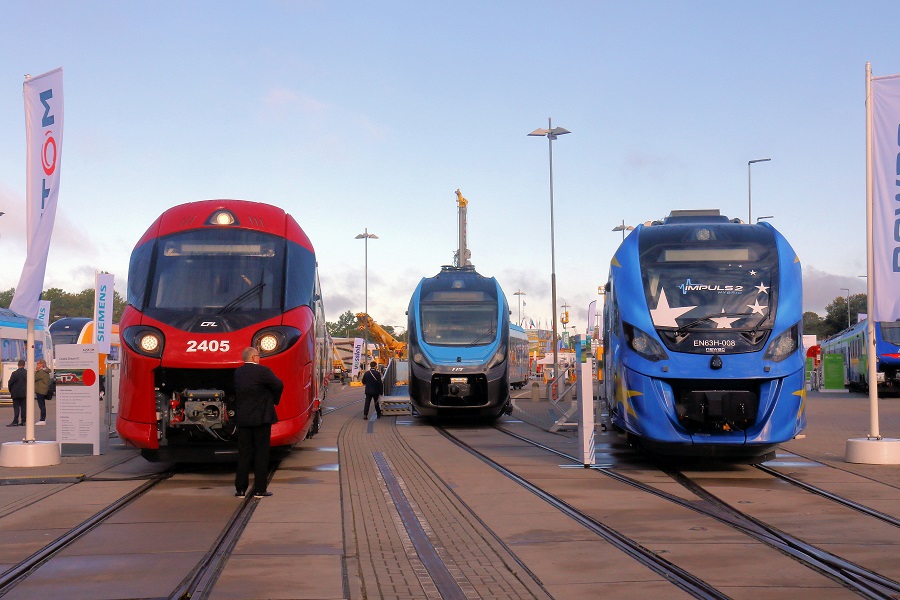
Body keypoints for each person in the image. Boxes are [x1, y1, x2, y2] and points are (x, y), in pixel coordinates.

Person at [233, 347, 283, 498]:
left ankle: (241, 489)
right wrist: (274, 400)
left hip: (243, 419)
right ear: (254, 357)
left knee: (244, 453)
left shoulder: (238, 372)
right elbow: (279, 385)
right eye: (258, 356)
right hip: (262, 418)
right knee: (261, 453)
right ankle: (260, 490)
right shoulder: (263, 371)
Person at [6, 360, 27, 427]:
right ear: (24, 365)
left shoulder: (14, 373)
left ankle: (15, 421)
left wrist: (11, 390)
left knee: (16, 407)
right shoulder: (27, 373)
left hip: (15, 393)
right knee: (24, 407)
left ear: (18, 365)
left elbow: (10, 383)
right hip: (24, 393)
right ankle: (23, 421)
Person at [34, 359, 51, 425]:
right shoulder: (46, 371)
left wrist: (36, 370)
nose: (37, 365)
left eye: (38, 363)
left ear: (42, 364)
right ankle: (43, 419)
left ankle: (42, 419)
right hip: (43, 389)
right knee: (42, 405)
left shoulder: (41, 372)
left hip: (40, 390)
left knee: (41, 405)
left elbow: (34, 378)